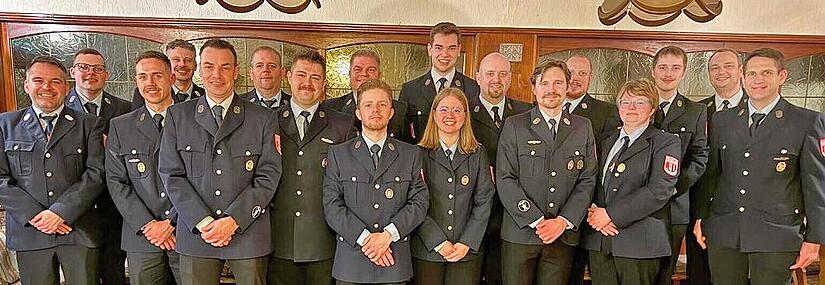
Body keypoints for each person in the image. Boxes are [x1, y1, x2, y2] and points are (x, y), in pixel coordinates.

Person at [694, 48, 825, 285]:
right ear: (743, 77)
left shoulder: (806, 121)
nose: (758, 80)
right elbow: (712, 175)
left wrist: (814, 238)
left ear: (782, 76)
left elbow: (815, 186)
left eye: (766, 73)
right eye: (752, 73)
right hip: (725, 231)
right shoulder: (723, 120)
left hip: (776, 234)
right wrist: (701, 218)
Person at [158, 38, 282, 285]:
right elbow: (172, 175)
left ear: (235, 72)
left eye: (225, 67)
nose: (217, 74)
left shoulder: (263, 118)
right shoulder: (178, 115)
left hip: (248, 231)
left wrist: (233, 220)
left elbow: (268, 176)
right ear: (199, 70)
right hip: (197, 233)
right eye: (209, 66)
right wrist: (204, 222)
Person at [0, 55, 106, 284]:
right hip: (30, 232)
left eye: (55, 81)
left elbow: (96, 174)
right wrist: (37, 216)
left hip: (78, 230)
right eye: (38, 80)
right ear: (26, 85)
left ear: (66, 87)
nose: (46, 87)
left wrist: (60, 212)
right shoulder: (5, 125)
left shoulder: (89, 124)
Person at [496, 60, 597, 285]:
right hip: (521, 234)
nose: (551, 89)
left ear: (567, 87)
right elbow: (505, 178)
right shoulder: (515, 125)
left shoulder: (582, 127)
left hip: (562, 236)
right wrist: (536, 220)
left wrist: (563, 221)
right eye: (545, 83)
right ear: (534, 88)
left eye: (558, 83)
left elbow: (587, 180)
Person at [322, 79, 429, 284]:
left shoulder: (410, 154)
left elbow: (420, 202)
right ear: (358, 113)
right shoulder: (338, 154)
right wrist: (367, 240)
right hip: (352, 264)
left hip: (394, 261)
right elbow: (332, 205)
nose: (375, 110)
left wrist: (388, 235)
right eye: (368, 105)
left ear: (391, 112)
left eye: (382, 104)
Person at [268, 50, 356, 285]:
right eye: (301, 75)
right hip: (280, 237)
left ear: (324, 84)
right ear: (288, 77)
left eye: (315, 78)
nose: (307, 83)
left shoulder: (342, 124)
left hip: (324, 238)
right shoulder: (268, 120)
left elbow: (350, 184)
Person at [584, 78, 681, 285]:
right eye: (626, 102)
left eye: (640, 102)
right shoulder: (604, 141)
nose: (631, 108)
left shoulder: (666, 142)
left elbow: (659, 190)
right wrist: (592, 212)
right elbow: (589, 180)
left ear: (652, 108)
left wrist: (610, 215)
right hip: (599, 241)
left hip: (639, 244)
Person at [105, 50, 181, 285]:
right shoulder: (121, 126)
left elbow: (203, 179)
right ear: (136, 81)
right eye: (142, 76)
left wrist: (171, 222)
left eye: (157, 76)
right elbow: (117, 182)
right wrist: (150, 225)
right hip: (142, 236)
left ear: (172, 78)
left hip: (186, 231)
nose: (150, 83)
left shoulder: (193, 119)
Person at [412, 87, 495, 285]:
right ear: (434, 114)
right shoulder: (417, 154)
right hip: (428, 250)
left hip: (466, 252)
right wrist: (437, 242)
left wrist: (467, 242)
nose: (450, 115)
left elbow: (484, 200)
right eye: (444, 109)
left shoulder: (477, 153)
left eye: (457, 110)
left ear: (465, 116)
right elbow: (414, 202)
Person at [65, 47, 132, 285]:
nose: (90, 73)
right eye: (83, 67)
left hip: (114, 205)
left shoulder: (125, 108)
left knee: (115, 271)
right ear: (73, 72)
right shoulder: (60, 107)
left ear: (106, 74)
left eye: (97, 69)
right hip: (76, 209)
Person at [469, 52, 531, 285]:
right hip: (473, 208)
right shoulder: (463, 112)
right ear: (478, 77)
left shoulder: (526, 112)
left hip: (514, 211)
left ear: (510, 78)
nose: (496, 79)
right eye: (490, 74)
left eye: (503, 74)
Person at [649, 46, 708, 285]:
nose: (668, 73)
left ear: (683, 72)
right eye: (662, 67)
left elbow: (699, 157)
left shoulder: (696, 111)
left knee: (664, 274)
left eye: (675, 68)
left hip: (675, 206)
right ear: (653, 71)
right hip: (634, 207)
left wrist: (671, 188)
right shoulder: (636, 105)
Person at [690, 48, 747, 285]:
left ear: (741, 71)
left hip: (742, 213)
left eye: (728, 66)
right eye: (715, 68)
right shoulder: (697, 111)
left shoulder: (757, 108)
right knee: (701, 275)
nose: (721, 72)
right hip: (701, 210)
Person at [563, 54, 622, 285]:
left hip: (589, 207)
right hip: (550, 208)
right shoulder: (541, 108)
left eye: (582, 74)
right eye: (571, 73)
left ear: (590, 78)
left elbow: (607, 164)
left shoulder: (606, 112)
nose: (575, 79)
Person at [400, 22, 480, 144]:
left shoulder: (473, 89)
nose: (445, 54)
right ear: (429, 49)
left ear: (459, 50)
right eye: (439, 48)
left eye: (451, 48)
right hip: (420, 159)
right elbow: (403, 138)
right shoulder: (410, 90)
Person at [323, 49, 409, 139]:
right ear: (349, 74)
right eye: (358, 69)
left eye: (371, 70)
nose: (364, 74)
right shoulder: (331, 107)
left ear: (379, 75)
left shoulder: (400, 110)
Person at [132, 39, 205, 109]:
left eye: (188, 60)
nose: (182, 64)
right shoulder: (145, 93)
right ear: (167, 64)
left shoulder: (205, 95)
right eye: (176, 59)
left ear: (195, 65)